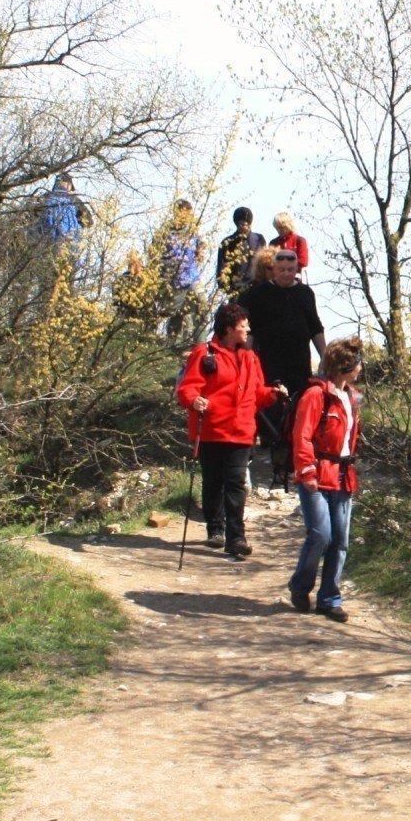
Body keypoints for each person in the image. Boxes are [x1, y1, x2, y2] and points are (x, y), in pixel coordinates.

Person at [175, 302, 282, 558]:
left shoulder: (250, 358)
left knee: (236, 482)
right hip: (211, 430)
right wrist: (194, 400)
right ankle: (215, 528)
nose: (248, 329)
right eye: (243, 326)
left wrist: (274, 394)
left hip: (242, 431)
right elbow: (186, 388)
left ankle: (236, 537)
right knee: (214, 482)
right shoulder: (204, 354)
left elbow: (257, 394)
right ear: (229, 328)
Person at [288, 338, 364, 622]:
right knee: (321, 534)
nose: (360, 367)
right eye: (357, 362)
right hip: (318, 474)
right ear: (345, 366)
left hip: (343, 475)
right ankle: (300, 586)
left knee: (340, 541)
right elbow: (302, 435)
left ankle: (329, 599)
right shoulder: (315, 396)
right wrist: (306, 471)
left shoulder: (352, 397)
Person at [236, 249, 326, 388]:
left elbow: (315, 326)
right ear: (274, 269)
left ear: (296, 269)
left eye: (290, 269)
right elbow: (249, 330)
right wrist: (249, 359)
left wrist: (324, 356)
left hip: (299, 364)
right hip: (269, 364)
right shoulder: (257, 294)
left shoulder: (305, 293)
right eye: (281, 269)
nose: (286, 273)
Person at [156, 199, 207, 340]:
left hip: (191, 278)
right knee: (175, 316)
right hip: (174, 281)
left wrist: (200, 252)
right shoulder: (165, 232)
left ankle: (201, 345)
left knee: (201, 307)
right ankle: (171, 350)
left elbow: (201, 245)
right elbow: (155, 256)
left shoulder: (192, 231)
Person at [216, 206, 267, 294]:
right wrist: (227, 288)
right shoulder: (227, 243)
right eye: (241, 223)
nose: (243, 226)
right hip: (235, 290)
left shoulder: (259, 239)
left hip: (257, 289)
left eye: (246, 223)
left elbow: (265, 264)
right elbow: (221, 269)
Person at [37, 173, 89, 246]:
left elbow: (29, 215)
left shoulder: (44, 197)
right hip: (68, 243)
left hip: (43, 242)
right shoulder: (74, 200)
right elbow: (88, 221)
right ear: (67, 184)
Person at [270, 211, 310, 275]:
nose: (279, 230)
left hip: (296, 277)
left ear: (288, 226)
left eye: (281, 227)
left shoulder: (299, 240)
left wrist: (284, 264)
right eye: (277, 228)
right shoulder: (274, 243)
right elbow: (269, 262)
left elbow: (303, 261)